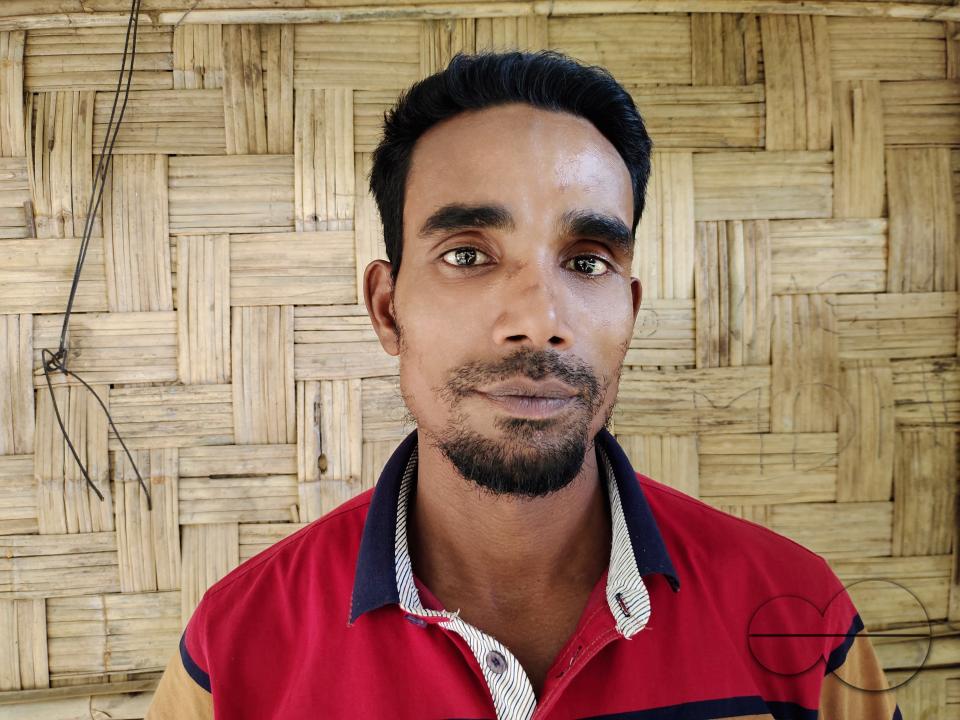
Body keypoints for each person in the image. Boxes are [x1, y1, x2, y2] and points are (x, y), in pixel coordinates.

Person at [147, 50, 902, 719]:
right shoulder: (237, 648)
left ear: (629, 315)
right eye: (468, 255)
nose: (540, 321)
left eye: (586, 260)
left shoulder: (795, 613)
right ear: (387, 308)